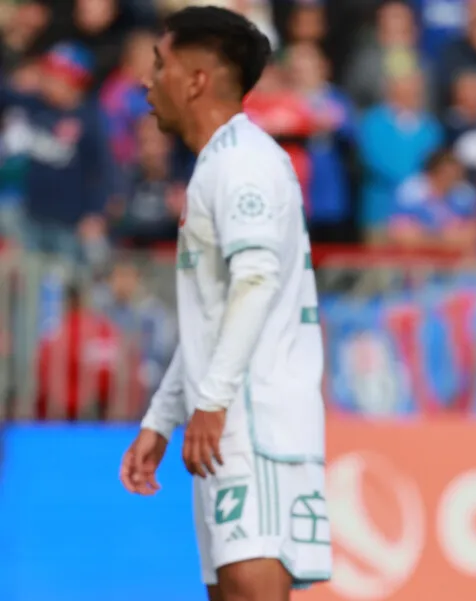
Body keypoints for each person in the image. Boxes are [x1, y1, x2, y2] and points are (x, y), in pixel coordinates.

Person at [117, 7, 330, 601]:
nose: (146, 81)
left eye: (159, 64)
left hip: (255, 423)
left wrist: (208, 402)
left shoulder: (243, 162)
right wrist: (163, 418)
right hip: (228, 419)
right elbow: (211, 317)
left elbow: (255, 281)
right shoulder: (220, 160)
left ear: (196, 80)